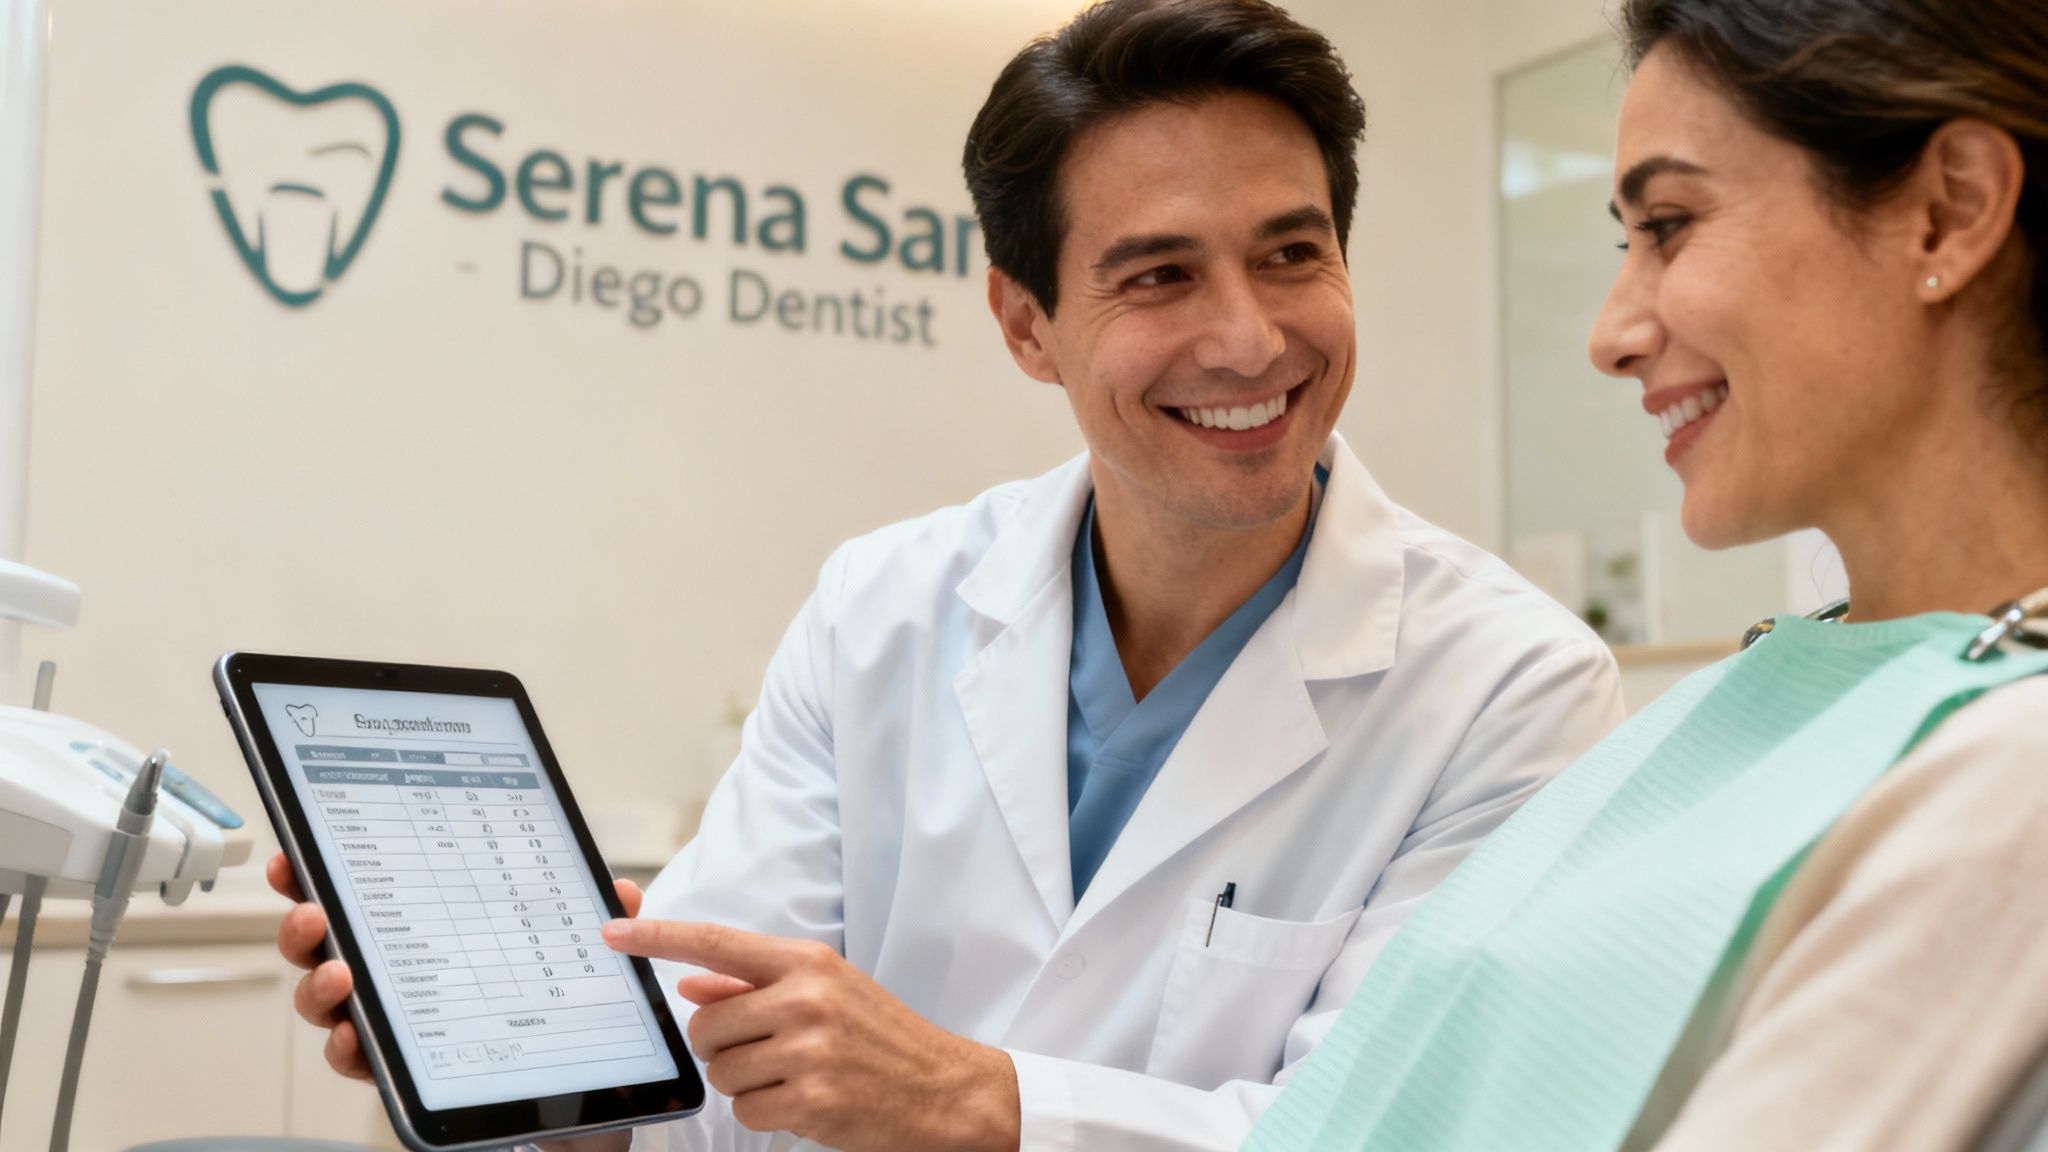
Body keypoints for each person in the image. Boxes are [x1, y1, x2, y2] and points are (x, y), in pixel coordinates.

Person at [268, 2, 1624, 1149]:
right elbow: (715, 1089)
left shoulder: (1514, 687)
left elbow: (1394, 1127)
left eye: (1292, 253)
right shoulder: (881, 607)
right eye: (1159, 275)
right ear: (1026, 324)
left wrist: (979, 1101)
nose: (1249, 337)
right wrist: (559, 1074)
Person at [1240, 1, 2048, 1150]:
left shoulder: (2016, 774)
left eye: (1667, 224)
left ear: (1944, 212)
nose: (1610, 332)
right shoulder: (1767, 690)